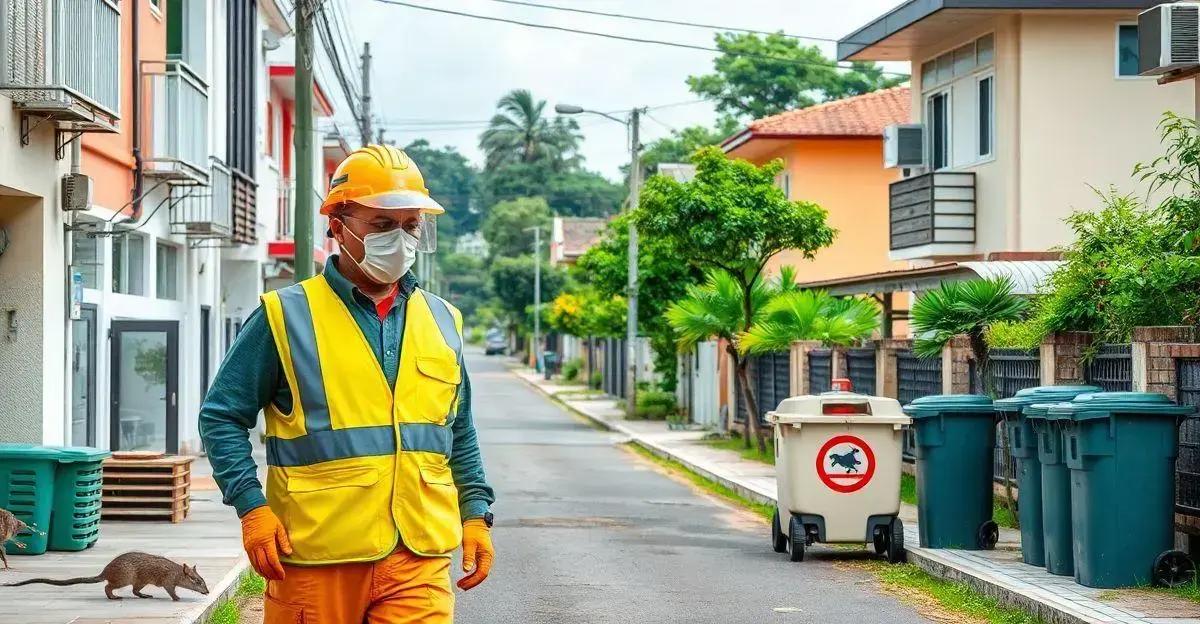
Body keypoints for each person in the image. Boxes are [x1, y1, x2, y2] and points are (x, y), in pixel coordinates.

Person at [199, 145, 495, 624]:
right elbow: (222, 416)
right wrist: (252, 509)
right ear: (338, 225)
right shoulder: (285, 315)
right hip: (317, 556)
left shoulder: (444, 319)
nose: (400, 239)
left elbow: (457, 430)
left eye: (411, 225)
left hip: (416, 555)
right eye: (382, 225)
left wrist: (476, 512)